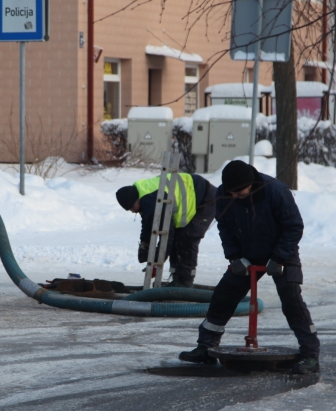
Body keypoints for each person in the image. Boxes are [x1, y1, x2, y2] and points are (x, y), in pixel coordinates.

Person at [178, 160, 320, 374]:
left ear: (251, 183)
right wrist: (234, 257)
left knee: (291, 300)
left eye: (240, 192)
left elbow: (294, 227)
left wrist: (279, 257)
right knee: (223, 295)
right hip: (247, 253)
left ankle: (310, 356)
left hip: (281, 251)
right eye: (231, 192)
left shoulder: (276, 191)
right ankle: (206, 347)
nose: (235, 196)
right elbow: (224, 227)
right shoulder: (224, 194)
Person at [115, 171, 216, 288]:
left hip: (205, 198)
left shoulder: (151, 201)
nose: (133, 211)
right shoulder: (143, 195)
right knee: (177, 240)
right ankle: (177, 278)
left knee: (187, 238)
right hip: (193, 193)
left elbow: (167, 234)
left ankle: (185, 282)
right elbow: (148, 223)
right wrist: (145, 243)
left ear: (135, 200)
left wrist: (158, 261)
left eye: (132, 207)